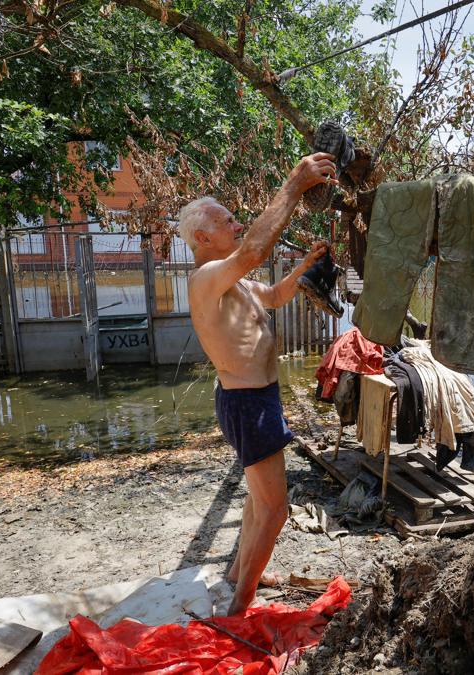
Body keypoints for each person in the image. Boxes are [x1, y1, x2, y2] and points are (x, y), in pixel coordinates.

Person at [178, 152, 338, 615]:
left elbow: (274, 295)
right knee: (275, 510)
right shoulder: (207, 277)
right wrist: (294, 184)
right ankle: (241, 609)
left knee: (256, 501)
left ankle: (235, 576)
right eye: (227, 222)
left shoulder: (235, 280)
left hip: (254, 398)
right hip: (249, 404)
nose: (236, 225)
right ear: (203, 237)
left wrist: (305, 266)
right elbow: (254, 250)